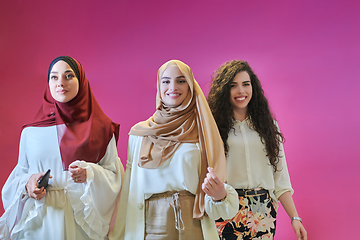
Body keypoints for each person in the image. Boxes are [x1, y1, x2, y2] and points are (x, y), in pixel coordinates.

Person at [109, 60, 238, 240]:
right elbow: (129, 189)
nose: (173, 87)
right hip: (148, 228)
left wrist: (221, 196)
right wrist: (118, 234)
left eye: (181, 80)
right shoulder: (139, 134)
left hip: (194, 227)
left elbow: (220, 194)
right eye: (166, 81)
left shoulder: (204, 132)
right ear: (159, 85)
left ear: (191, 86)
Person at [0, 56, 124, 240]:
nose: (60, 83)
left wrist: (89, 174)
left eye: (68, 76)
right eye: (54, 77)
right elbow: (20, 174)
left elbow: (115, 175)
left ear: (81, 81)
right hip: (40, 221)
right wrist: (29, 182)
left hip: (80, 224)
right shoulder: (31, 131)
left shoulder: (101, 129)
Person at [207, 60, 307, 240]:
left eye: (246, 84)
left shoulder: (268, 127)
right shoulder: (214, 129)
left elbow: (280, 178)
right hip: (228, 206)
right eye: (233, 86)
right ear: (224, 90)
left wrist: (295, 217)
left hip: (263, 211)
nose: (241, 91)